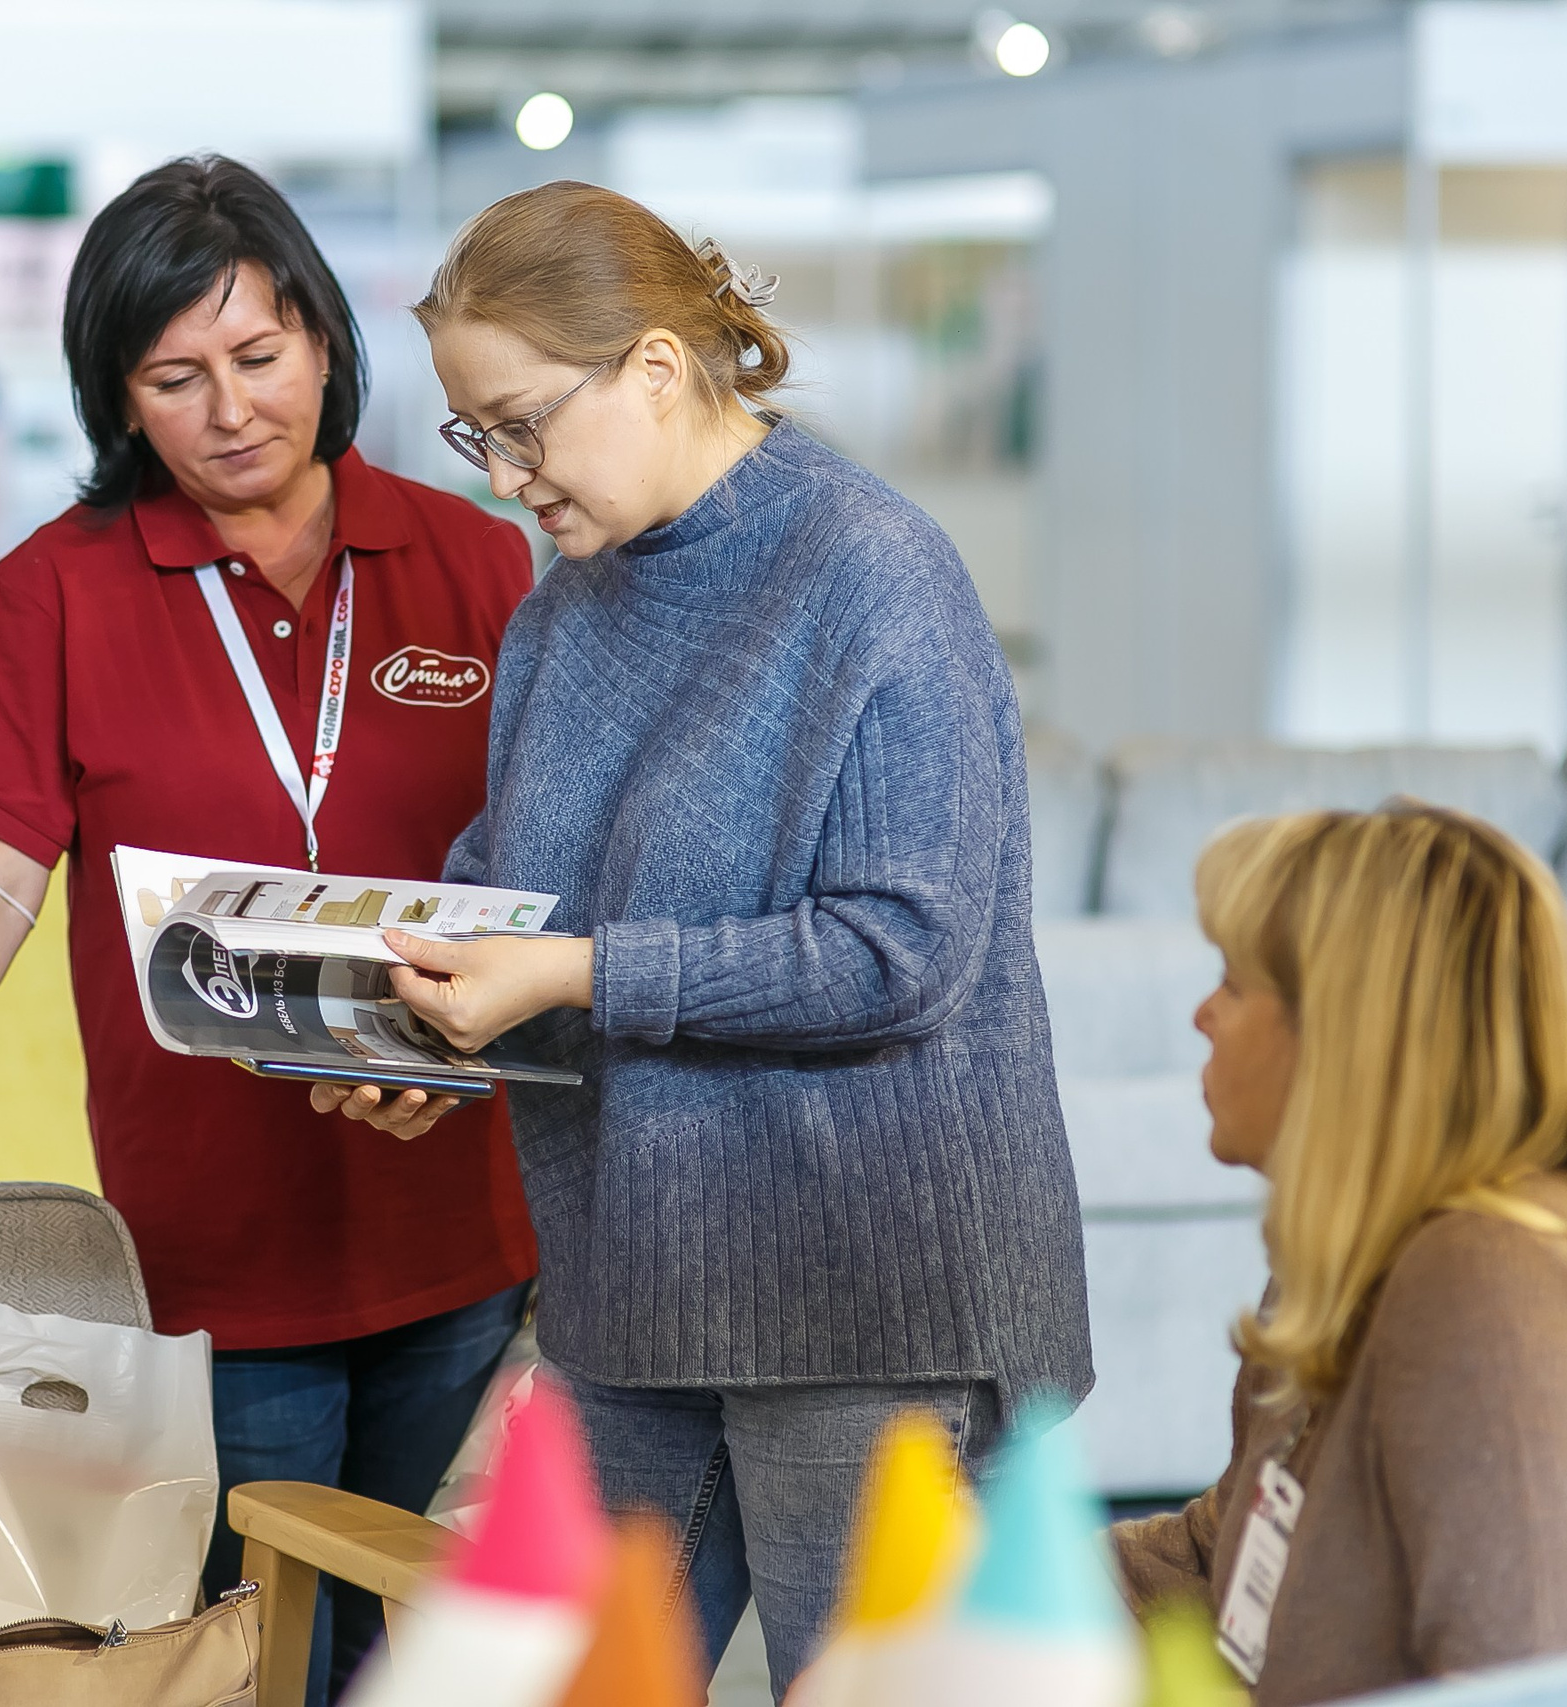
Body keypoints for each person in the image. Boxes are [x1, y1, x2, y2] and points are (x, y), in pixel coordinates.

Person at [0, 158, 538, 1705]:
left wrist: (485, 1049)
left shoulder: (475, 556)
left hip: (463, 1218)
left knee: (448, 1664)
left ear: (325, 341)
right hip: (216, 1246)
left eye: (259, 356)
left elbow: (547, 858)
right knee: (251, 1659)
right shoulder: (52, 594)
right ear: (116, 397)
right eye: (174, 378)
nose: (232, 410)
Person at [319, 181, 1093, 1689]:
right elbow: (513, 887)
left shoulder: (872, 570)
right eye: (476, 437)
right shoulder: (563, 613)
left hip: (861, 1289)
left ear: (659, 369)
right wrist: (425, 1029)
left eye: (524, 425)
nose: (507, 479)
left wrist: (573, 973)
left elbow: (901, 950)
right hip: (631, 1284)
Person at [1113, 804, 1567, 1704]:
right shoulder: (1356, 1255)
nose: (1202, 1015)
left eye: (1234, 983)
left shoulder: (1495, 1293)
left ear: (1342, 1033)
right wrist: (964, 1589)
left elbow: (1540, 1692)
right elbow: (1230, 1560)